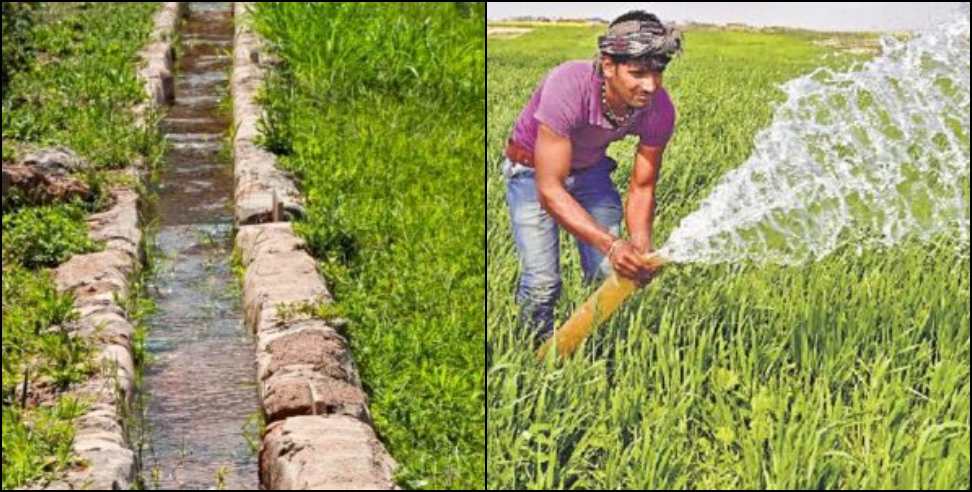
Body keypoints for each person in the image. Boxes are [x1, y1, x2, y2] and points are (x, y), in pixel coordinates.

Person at [502, 10, 682, 342]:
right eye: (638, 72)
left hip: (590, 171)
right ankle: (530, 353)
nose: (651, 85)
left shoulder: (659, 108)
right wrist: (613, 244)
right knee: (543, 283)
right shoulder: (569, 85)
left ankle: (592, 348)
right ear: (609, 65)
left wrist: (640, 250)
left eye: (658, 72)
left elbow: (643, 187)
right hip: (531, 172)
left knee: (609, 275)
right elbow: (550, 190)